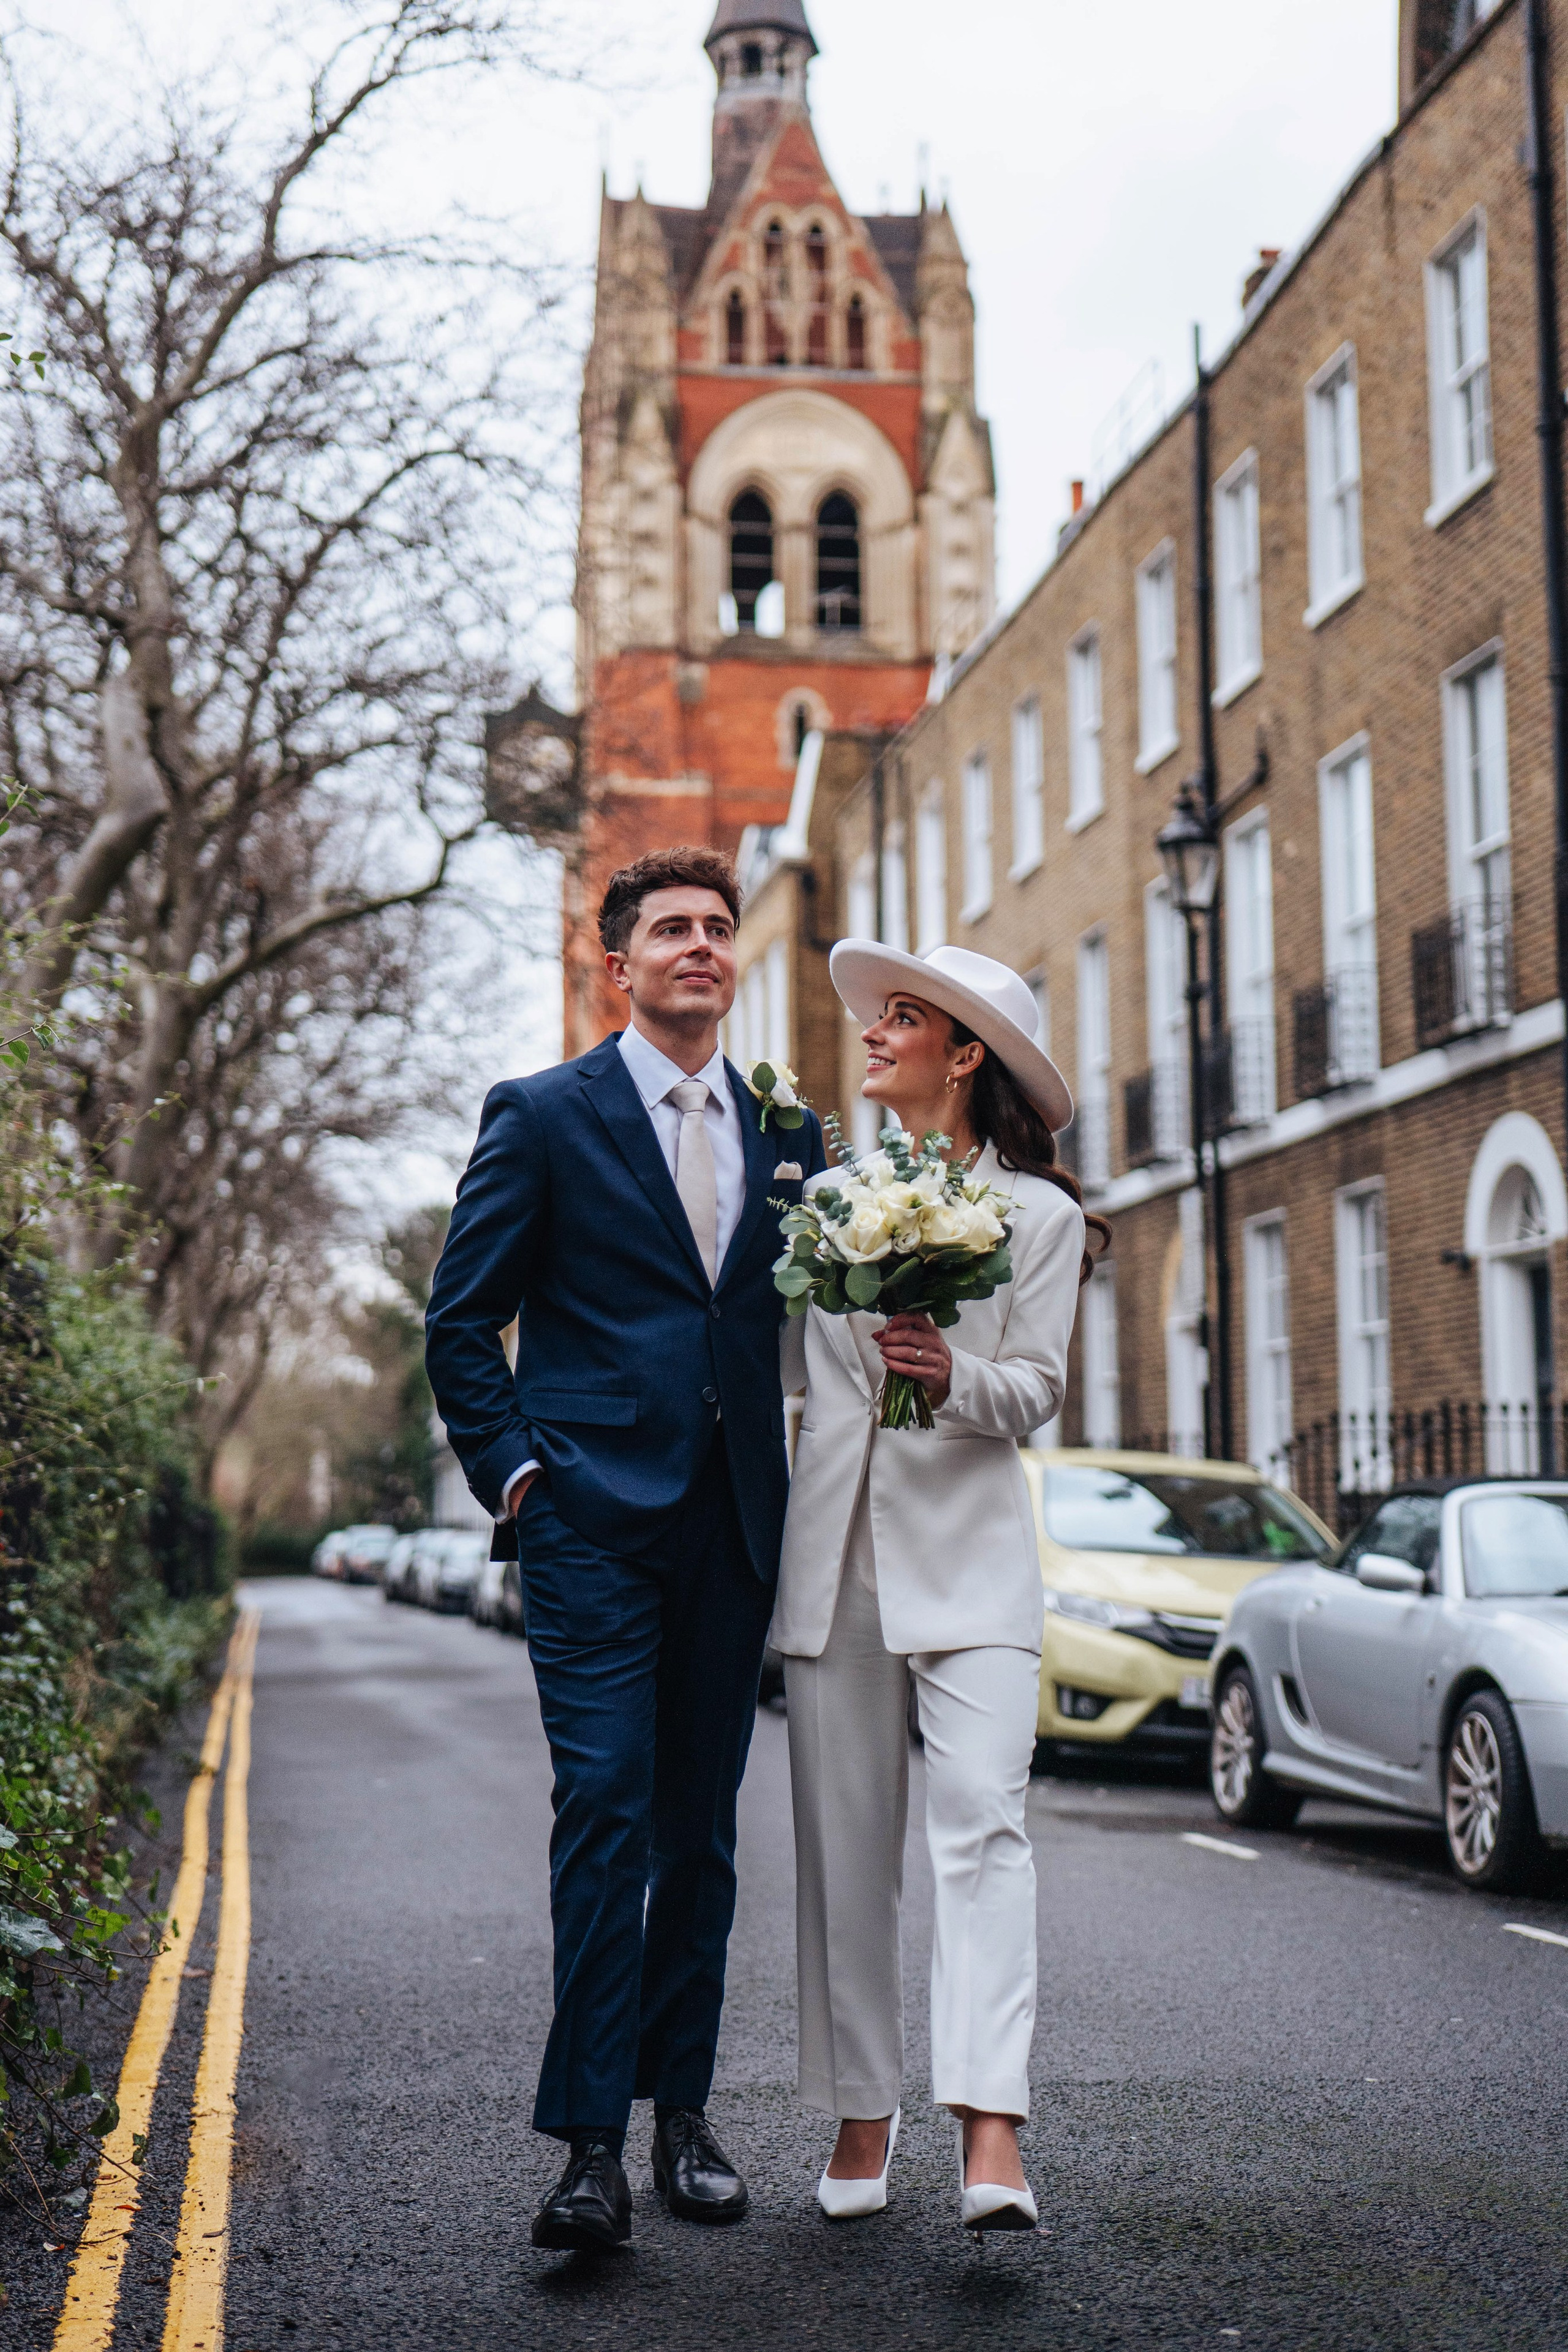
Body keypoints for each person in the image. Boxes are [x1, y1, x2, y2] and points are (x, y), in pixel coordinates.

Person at [424, 846, 827, 2255]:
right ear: (620, 964)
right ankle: (588, 2146)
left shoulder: (790, 1130)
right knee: (603, 1811)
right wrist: (521, 1476)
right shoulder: (541, 1114)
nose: (701, 947)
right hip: (590, 1522)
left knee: (700, 1837)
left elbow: (807, 1321)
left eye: (718, 928)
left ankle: (684, 2121)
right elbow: (460, 1322)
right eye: (672, 929)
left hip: (734, 1522)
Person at [771, 940, 1107, 2235]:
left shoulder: (1037, 1214)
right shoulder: (828, 1199)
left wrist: (945, 1371)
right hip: (836, 1554)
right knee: (844, 1852)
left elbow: (1033, 1391)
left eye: (898, 1020)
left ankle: (991, 2128)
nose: (870, 1035)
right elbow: (805, 1382)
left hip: (969, 1559)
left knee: (983, 1828)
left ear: (962, 1054)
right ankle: (864, 2110)